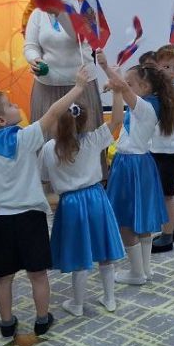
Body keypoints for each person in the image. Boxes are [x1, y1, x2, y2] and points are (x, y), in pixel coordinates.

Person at [0, 87, 56, 339]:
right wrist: (80, 87)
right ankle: (42, 319)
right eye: (9, 105)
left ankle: (7, 323)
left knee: (3, 276)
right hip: (31, 218)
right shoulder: (24, 138)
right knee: (38, 275)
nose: (15, 105)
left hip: (4, 220)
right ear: (1, 120)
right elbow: (53, 112)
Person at [41, 62, 126, 316]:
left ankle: (77, 304)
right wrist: (118, 91)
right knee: (104, 251)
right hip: (96, 198)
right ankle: (109, 299)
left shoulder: (49, 149)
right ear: (84, 120)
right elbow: (117, 120)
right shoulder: (93, 140)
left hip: (70, 205)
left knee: (80, 255)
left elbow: (43, 178)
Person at [104, 58, 174, 283]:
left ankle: (136, 273)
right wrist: (117, 80)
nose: (126, 86)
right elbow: (122, 90)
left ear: (144, 87)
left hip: (130, 165)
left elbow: (122, 89)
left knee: (126, 222)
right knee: (141, 220)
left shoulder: (145, 107)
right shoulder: (148, 104)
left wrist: (105, 68)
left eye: (130, 83)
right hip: (140, 164)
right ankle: (144, 269)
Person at [21, 0, 103, 137]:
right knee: (50, 139)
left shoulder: (84, 10)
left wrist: (60, 13)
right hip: (47, 86)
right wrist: (34, 59)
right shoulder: (37, 14)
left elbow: (77, 37)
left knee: (84, 138)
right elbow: (30, 46)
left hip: (81, 85)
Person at [150, 44, 174, 253]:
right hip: (162, 148)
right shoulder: (164, 89)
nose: (171, 71)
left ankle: (167, 237)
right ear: (157, 66)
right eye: (166, 67)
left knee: (167, 195)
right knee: (165, 192)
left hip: (169, 151)